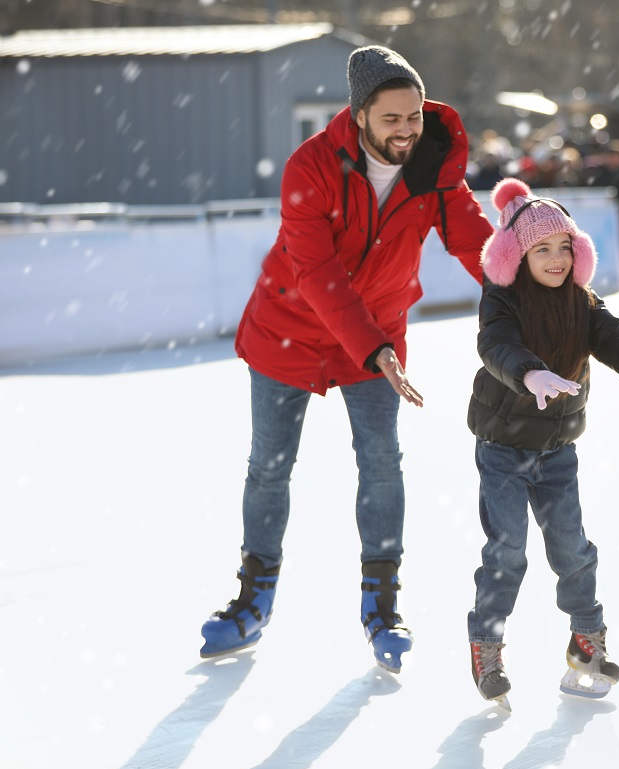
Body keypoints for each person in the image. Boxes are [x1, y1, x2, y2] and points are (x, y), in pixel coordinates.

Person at [198, 45, 495, 672]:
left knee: (381, 463)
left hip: (377, 333)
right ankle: (253, 599)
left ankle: (382, 605)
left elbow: (472, 239)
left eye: (413, 116)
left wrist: (532, 288)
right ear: (359, 115)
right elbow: (318, 273)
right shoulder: (311, 166)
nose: (406, 131)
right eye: (391, 119)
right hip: (291, 329)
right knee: (269, 468)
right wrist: (377, 351)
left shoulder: (431, 160)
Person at [465, 178, 619, 710]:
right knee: (507, 553)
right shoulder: (501, 300)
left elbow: (618, 340)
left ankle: (586, 641)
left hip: (556, 451)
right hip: (502, 447)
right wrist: (528, 374)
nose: (555, 259)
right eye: (540, 249)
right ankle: (487, 645)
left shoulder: (581, 302)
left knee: (572, 550)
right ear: (515, 257)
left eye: (564, 247)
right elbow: (494, 345)